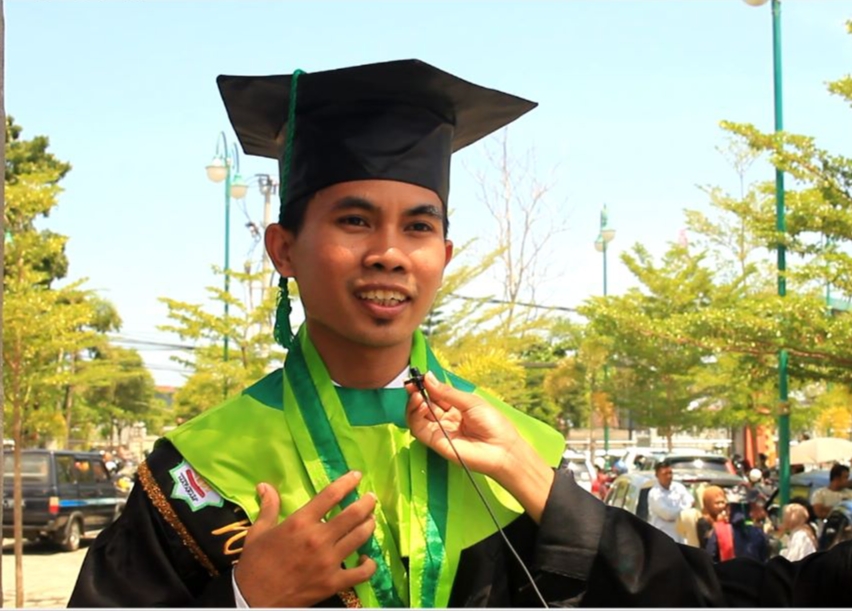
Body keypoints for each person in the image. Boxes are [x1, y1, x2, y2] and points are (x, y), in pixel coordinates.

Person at [68, 59, 852, 608]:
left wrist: (538, 483)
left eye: (418, 226)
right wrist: (245, 597)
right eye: (353, 220)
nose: (388, 252)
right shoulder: (202, 472)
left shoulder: (517, 460)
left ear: (443, 256)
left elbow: (695, 597)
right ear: (283, 249)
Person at [647, 460, 694, 542]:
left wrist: (682, 510)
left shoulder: (678, 487)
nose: (668, 476)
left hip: (681, 537)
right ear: (657, 475)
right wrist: (685, 510)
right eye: (665, 474)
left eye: (670, 473)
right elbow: (668, 515)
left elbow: (691, 501)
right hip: (663, 537)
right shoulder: (654, 494)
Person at [695, 485, 728, 550]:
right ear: (708, 503)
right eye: (717, 503)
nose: (721, 506)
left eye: (722, 502)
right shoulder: (703, 522)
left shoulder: (727, 519)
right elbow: (708, 543)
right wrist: (718, 524)